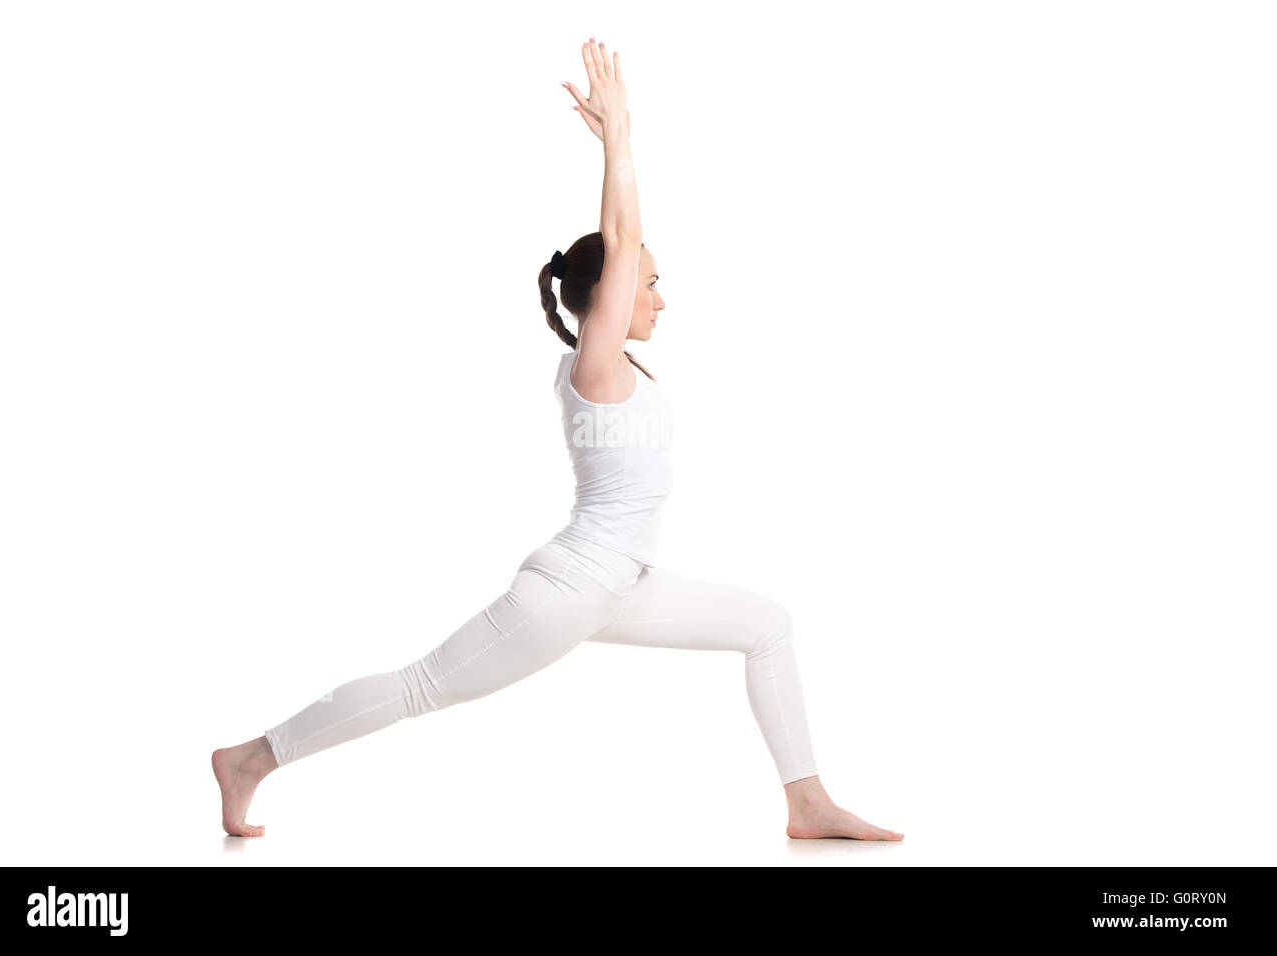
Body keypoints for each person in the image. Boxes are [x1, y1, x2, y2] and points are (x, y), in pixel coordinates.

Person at [212, 37, 903, 843]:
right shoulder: (595, 365)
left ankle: (807, 802)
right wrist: (620, 139)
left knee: (767, 624)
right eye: (649, 283)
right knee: (420, 688)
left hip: (623, 581)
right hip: (572, 588)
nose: (660, 298)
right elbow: (624, 232)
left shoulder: (620, 369)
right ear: (606, 298)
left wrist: (616, 155)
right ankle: (253, 757)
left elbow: (618, 232)